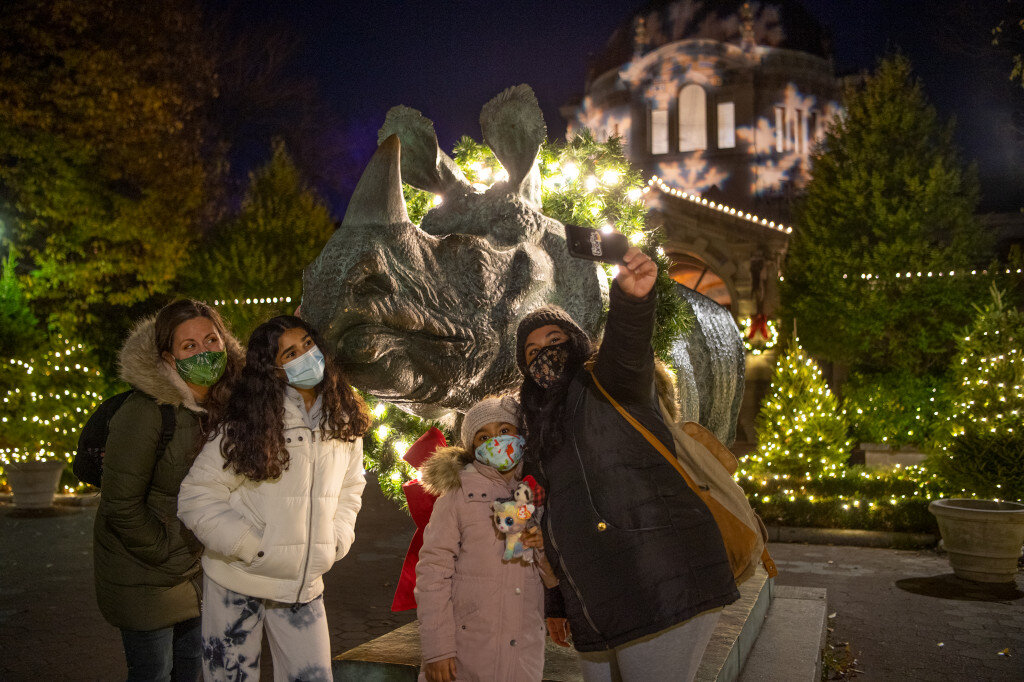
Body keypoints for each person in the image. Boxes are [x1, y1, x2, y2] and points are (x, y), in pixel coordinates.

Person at [515, 248, 740, 682]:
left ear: (577, 345)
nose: (544, 355)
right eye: (531, 353)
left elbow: (627, 344)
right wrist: (559, 603)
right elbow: (555, 524)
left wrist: (632, 300)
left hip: (663, 584)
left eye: (554, 342)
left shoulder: (611, 383)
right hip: (599, 602)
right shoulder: (544, 432)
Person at [177, 315, 370, 682]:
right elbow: (196, 496)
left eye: (308, 345)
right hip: (238, 578)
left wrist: (336, 540)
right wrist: (253, 545)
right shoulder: (251, 419)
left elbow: (351, 487)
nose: (305, 356)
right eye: (290, 353)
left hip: (303, 584)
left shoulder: (343, 416)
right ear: (275, 368)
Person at [94, 299, 245, 682]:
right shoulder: (146, 412)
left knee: (191, 672)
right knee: (154, 673)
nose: (205, 352)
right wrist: (165, 550)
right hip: (146, 575)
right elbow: (120, 504)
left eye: (211, 340)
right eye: (189, 346)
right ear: (168, 356)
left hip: (198, 570)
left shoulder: (229, 405)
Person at [415, 395, 557, 682]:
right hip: (467, 655)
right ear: (472, 448)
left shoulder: (533, 497)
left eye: (505, 430)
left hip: (523, 653)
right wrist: (437, 650)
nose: (497, 441)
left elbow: (551, 579)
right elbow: (433, 572)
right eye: (484, 436)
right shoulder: (458, 495)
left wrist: (541, 547)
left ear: (521, 436)